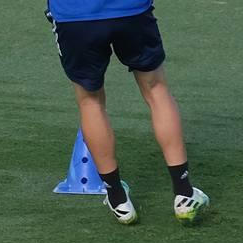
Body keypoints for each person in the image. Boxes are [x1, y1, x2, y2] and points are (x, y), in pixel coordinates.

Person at [45, 1, 208, 225]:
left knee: (90, 102)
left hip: (75, 17)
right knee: (157, 91)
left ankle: (118, 199)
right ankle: (184, 193)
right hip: (131, 10)